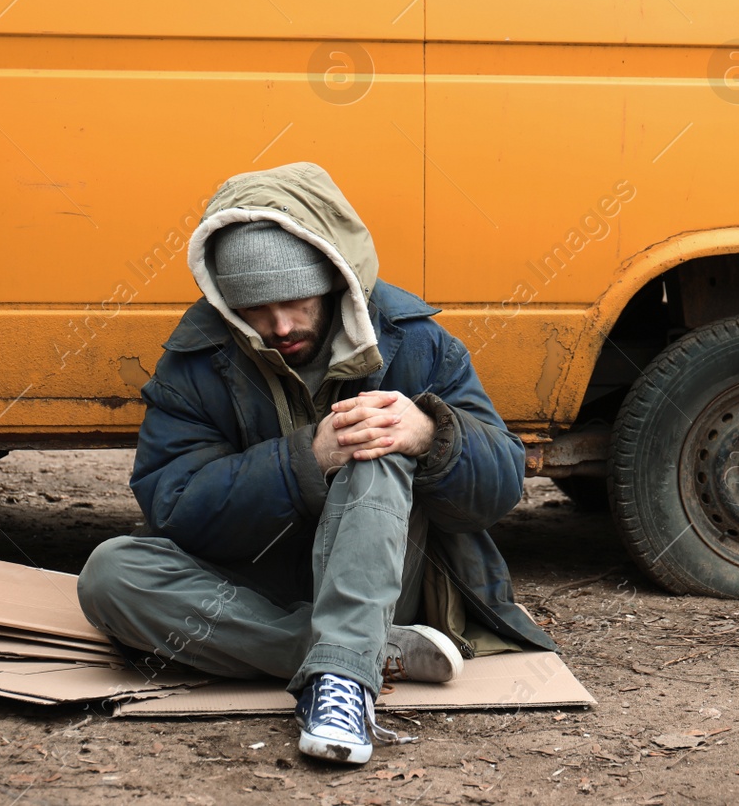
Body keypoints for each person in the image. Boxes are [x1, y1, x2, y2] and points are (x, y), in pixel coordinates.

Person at [76, 162, 555, 765]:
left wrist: (431, 434)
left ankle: (343, 684)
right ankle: (366, 655)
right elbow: (175, 505)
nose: (279, 326)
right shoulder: (195, 363)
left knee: (376, 444)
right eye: (254, 309)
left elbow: (502, 485)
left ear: (332, 277)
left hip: (383, 582)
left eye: (295, 301)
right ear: (227, 302)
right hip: (248, 586)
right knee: (109, 575)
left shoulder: (416, 341)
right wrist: (307, 458)